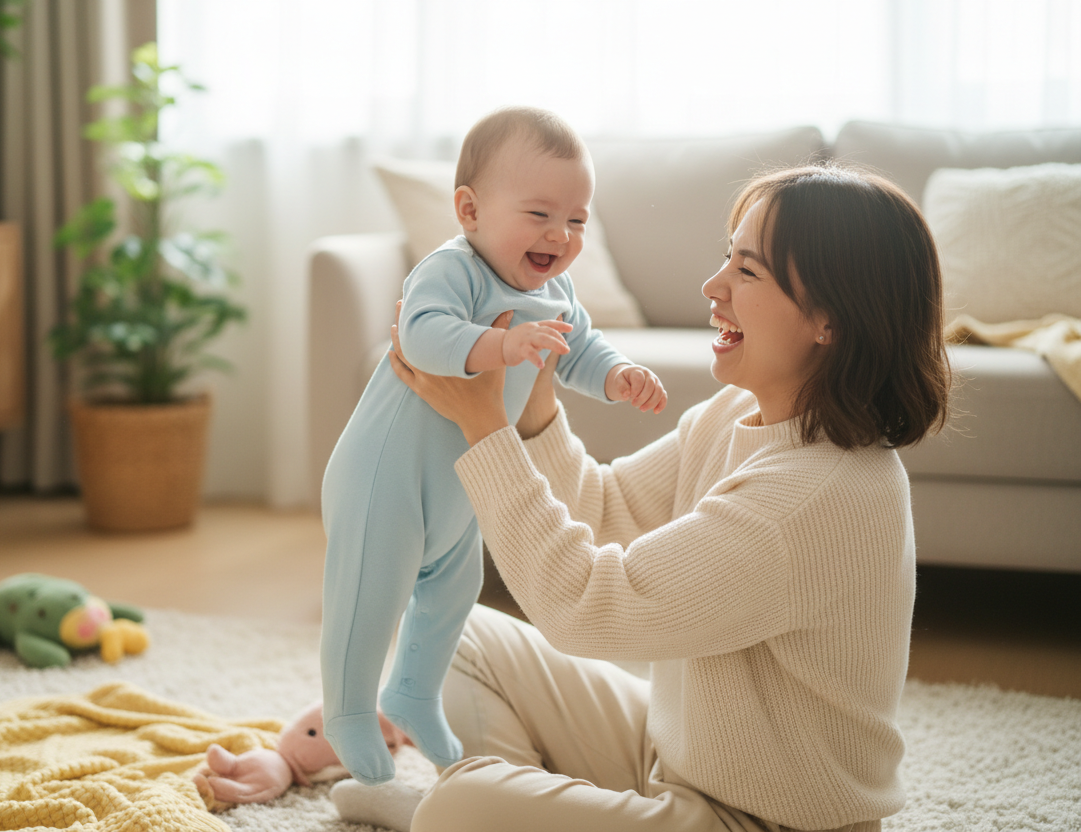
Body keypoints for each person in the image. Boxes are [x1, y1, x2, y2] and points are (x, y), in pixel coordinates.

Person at [332, 163, 951, 831]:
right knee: (460, 637)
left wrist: (485, 429)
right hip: (681, 757)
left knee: (462, 803)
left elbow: (588, 608)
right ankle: (491, 806)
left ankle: (458, 808)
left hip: (763, 820)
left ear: (829, 317)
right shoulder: (740, 413)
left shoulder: (814, 497)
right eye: (727, 259)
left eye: (747, 272)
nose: (713, 288)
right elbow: (605, 509)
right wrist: (533, 399)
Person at [320, 106, 668, 786]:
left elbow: (577, 349)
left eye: (576, 219)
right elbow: (420, 337)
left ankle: (413, 693)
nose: (561, 235)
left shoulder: (556, 289)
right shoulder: (452, 272)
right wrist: (502, 345)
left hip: (457, 485)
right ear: (470, 210)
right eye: (540, 214)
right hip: (383, 477)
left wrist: (617, 374)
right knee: (372, 591)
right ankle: (350, 710)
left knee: (456, 587)